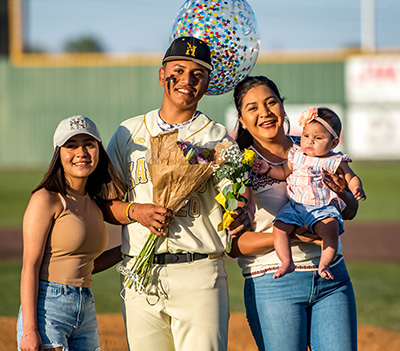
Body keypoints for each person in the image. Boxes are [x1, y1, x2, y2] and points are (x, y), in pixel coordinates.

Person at [103, 36, 254, 351]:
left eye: (198, 74)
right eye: (179, 70)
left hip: (199, 275)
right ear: (161, 75)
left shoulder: (217, 139)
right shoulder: (129, 132)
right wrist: (135, 211)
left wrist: (238, 208)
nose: (187, 80)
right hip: (139, 275)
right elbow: (105, 203)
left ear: (207, 83)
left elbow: (234, 198)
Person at [229, 76, 359, 351]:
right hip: (274, 282)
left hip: (333, 278)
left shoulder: (313, 145)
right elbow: (234, 245)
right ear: (241, 119)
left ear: (283, 107)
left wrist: (344, 193)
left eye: (270, 102)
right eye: (252, 108)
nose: (264, 112)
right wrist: (293, 236)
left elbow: (351, 211)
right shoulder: (239, 164)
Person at [17, 115, 126, 351]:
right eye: (71, 145)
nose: (81, 152)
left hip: (85, 307)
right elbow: (30, 266)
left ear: (99, 149)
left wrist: (128, 250)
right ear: (59, 153)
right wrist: (29, 331)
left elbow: (87, 265)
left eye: (89, 144)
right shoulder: (46, 199)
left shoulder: (95, 204)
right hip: (48, 309)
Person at [253, 106, 366, 279]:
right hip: (295, 206)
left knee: (331, 229)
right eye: (306, 136)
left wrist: (356, 188)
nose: (309, 141)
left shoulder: (334, 160)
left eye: (318, 138)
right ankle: (286, 262)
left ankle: (324, 265)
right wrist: (268, 169)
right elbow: (283, 172)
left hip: (322, 208)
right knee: (279, 227)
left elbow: (351, 177)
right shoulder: (296, 155)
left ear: (334, 143)